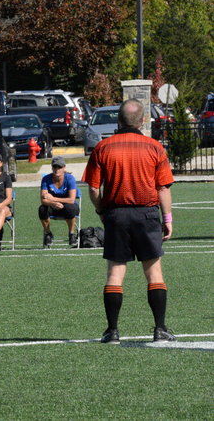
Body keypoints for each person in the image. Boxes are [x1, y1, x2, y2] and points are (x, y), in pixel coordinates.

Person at [82, 98, 176, 344]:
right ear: (142, 121)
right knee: (154, 272)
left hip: (116, 215)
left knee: (115, 273)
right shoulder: (155, 147)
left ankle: (112, 331)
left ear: (118, 120)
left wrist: (101, 211)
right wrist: (167, 218)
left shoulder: (103, 147)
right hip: (147, 214)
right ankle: (160, 329)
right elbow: (163, 188)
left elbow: (93, 188)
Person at [39, 156, 80, 248]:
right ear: (52, 168)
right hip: (52, 206)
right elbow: (43, 200)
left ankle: (71, 234)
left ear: (64, 168)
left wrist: (53, 199)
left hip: (68, 206)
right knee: (42, 209)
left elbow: (71, 199)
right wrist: (53, 203)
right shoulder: (46, 179)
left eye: (60, 167)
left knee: (70, 208)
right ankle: (48, 233)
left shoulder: (70, 178)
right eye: (55, 167)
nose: (57, 169)